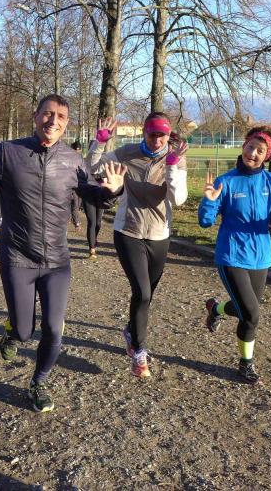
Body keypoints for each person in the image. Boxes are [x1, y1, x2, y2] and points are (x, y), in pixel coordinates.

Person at [0, 94, 127, 412]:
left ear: (66, 124)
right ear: (35, 116)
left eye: (60, 117)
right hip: (17, 257)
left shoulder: (73, 160)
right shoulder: (8, 152)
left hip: (56, 262)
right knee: (25, 331)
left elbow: (95, 196)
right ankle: (12, 330)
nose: (53, 121)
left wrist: (112, 191)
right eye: (47, 114)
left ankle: (39, 382)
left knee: (54, 328)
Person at [87, 112, 188, 378]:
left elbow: (178, 199)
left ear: (168, 135)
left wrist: (172, 166)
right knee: (141, 293)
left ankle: (131, 330)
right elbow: (93, 169)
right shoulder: (127, 153)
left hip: (159, 234)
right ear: (144, 132)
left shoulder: (175, 157)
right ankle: (139, 352)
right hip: (128, 232)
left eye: (162, 135)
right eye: (152, 134)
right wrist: (100, 143)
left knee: (147, 295)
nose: (157, 140)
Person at [198, 126, 271, 385]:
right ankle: (246, 364)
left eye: (260, 150)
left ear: (267, 156)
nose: (252, 153)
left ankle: (216, 308)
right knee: (252, 314)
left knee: (244, 307)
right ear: (243, 146)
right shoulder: (226, 181)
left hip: (261, 257)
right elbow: (205, 222)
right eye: (250, 147)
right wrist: (209, 201)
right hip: (231, 255)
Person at [69, 141, 83, 231]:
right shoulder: (69, 158)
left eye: (79, 150)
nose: (77, 151)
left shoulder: (81, 158)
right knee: (75, 203)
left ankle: (72, 217)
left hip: (80, 185)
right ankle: (77, 223)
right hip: (72, 184)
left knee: (77, 204)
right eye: (76, 150)